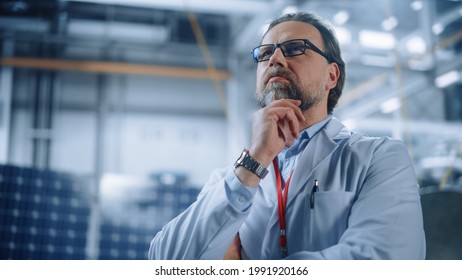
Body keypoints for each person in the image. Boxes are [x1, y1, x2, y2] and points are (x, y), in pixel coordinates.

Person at [148, 11, 426, 260]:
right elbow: (165, 260)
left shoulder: (379, 158)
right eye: (265, 53)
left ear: (332, 75)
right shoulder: (231, 179)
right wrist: (254, 161)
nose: (275, 59)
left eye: (294, 49)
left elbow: (383, 260)